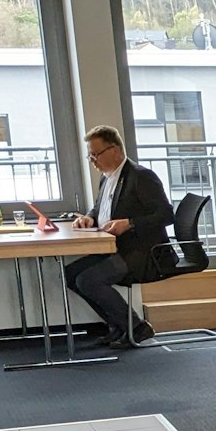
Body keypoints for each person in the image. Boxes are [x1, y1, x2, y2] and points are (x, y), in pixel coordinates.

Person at [64, 125, 175, 347]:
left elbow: (166, 214)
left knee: (87, 280)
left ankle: (137, 327)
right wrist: (88, 217)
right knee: (70, 274)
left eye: (96, 154)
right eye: (90, 155)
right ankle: (118, 325)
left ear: (114, 150)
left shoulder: (141, 176)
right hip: (117, 248)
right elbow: (99, 209)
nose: (92, 160)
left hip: (142, 251)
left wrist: (130, 224)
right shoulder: (106, 178)